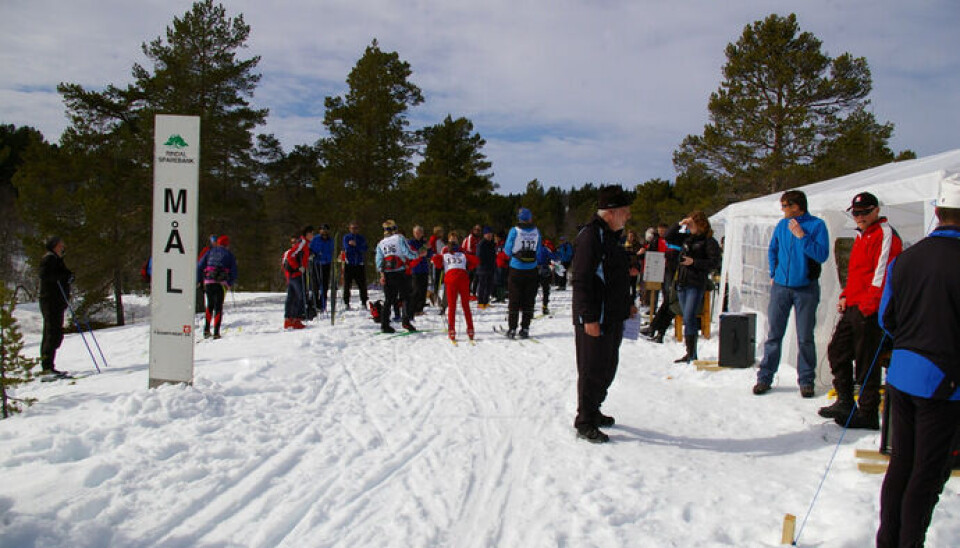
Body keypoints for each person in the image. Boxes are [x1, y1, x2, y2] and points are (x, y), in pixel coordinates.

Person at [876, 173, 960, 548]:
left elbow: (886, 318)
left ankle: (888, 541)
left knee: (901, 467)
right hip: (943, 382)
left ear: (939, 212)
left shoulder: (907, 257)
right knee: (926, 474)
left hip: (903, 374)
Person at [818, 192, 902, 429]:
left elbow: (882, 273)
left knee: (866, 362)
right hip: (854, 305)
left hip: (871, 309)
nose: (860, 217)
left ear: (876, 210)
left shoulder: (884, 234)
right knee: (837, 351)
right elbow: (855, 273)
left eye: (865, 212)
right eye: (856, 213)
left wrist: (869, 306)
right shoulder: (861, 236)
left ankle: (867, 411)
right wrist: (845, 295)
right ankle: (846, 401)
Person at [571, 185, 638, 443]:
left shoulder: (611, 236)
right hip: (595, 316)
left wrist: (628, 303)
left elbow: (615, 276)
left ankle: (594, 409)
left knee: (608, 366)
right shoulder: (590, 236)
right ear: (612, 212)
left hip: (613, 314)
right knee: (592, 368)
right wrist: (588, 318)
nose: (629, 215)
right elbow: (582, 279)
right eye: (625, 211)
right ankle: (585, 420)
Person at [753, 189, 830, 398]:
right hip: (781, 287)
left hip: (806, 288)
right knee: (774, 335)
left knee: (805, 337)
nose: (782, 209)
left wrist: (802, 236)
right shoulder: (781, 225)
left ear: (797, 206)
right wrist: (773, 271)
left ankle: (806, 381)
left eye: (785, 205)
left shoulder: (817, 225)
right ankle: (764, 377)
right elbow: (773, 250)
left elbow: (822, 255)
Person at [668, 212, 722, 363]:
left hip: (695, 282)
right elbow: (668, 236)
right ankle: (689, 352)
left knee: (690, 316)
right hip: (683, 282)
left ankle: (692, 353)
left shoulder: (709, 242)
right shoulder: (687, 239)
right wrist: (680, 223)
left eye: (692, 224)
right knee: (686, 316)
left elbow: (714, 262)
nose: (689, 227)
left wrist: (694, 262)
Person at [503, 208, 545, 339]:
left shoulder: (514, 230)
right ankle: (525, 328)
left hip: (516, 268)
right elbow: (539, 251)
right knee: (528, 300)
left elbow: (507, 250)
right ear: (530, 218)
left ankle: (512, 328)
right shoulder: (536, 231)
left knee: (514, 299)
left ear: (520, 218)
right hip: (531, 269)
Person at [375, 219, 422, 334]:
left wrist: (382, 274)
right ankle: (406, 321)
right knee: (406, 297)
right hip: (400, 272)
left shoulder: (380, 243)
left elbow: (378, 262)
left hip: (388, 273)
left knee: (389, 300)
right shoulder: (399, 238)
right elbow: (408, 252)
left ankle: (384, 324)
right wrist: (417, 255)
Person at [432, 231, 479, 341]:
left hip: (451, 279)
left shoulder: (445, 254)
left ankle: (452, 330)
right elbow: (476, 261)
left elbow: (436, 261)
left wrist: (437, 260)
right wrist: (468, 266)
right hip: (463, 278)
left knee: (452, 306)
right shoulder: (462, 254)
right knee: (465, 305)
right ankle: (470, 329)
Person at [38, 236, 73, 377]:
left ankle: (49, 366)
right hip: (50, 300)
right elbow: (45, 275)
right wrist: (63, 276)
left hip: (57, 300)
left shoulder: (57, 259)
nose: (63, 246)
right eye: (61, 244)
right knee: (52, 333)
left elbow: (63, 274)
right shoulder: (49, 259)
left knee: (55, 333)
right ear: (55, 246)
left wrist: (69, 276)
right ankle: (47, 367)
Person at [196, 234, 238, 339]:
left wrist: (199, 281)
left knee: (209, 305)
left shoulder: (209, 252)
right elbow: (234, 271)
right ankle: (216, 332)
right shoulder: (229, 254)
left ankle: (206, 330)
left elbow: (199, 267)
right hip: (221, 283)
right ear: (227, 244)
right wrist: (229, 283)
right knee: (218, 306)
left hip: (209, 281)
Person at [281, 234, 308, 330]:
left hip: (293, 277)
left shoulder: (299, 252)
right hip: (294, 277)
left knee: (292, 298)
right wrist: (298, 268)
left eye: (295, 242)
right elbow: (285, 265)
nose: (294, 244)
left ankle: (290, 319)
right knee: (299, 297)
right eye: (292, 242)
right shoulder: (291, 252)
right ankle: (295, 319)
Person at [342, 222, 368, 310]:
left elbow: (364, 248)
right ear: (349, 229)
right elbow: (347, 248)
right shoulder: (346, 237)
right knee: (347, 285)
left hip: (359, 264)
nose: (354, 230)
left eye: (356, 228)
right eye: (352, 228)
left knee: (362, 285)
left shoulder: (361, 238)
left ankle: (364, 302)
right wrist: (356, 248)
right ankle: (346, 303)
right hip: (349, 264)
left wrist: (356, 245)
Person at [407, 225, 432, 316]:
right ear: (413, 233)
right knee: (415, 290)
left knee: (423, 290)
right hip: (415, 268)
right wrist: (425, 248)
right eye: (416, 233)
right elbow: (416, 253)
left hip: (424, 268)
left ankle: (420, 308)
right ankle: (413, 309)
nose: (418, 234)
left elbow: (429, 253)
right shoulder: (411, 242)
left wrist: (427, 250)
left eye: (420, 232)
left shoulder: (424, 242)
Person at [310, 224, 334, 313]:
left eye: (325, 229)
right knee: (315, 286)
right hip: (316, 264)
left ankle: (322, 305)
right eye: (322, 229)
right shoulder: (315, 239)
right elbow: (310, 249)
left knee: (324, 286)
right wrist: (313, 254)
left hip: (326, 264)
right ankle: (314, 304)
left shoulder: (330, 240)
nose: (324, 231)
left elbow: (331, 251)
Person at [475, 227, 497, 309]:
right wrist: (485, 263)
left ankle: (486, 301)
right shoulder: (481, 243)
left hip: (491, 268)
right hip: (483, 268)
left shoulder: (492, 243)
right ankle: (480, 303)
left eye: (491, 234)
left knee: (489, 286)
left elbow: (494, 254)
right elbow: (479, 256)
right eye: (488, 234)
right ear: (485, 235)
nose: (490, 235)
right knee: (482, 286)